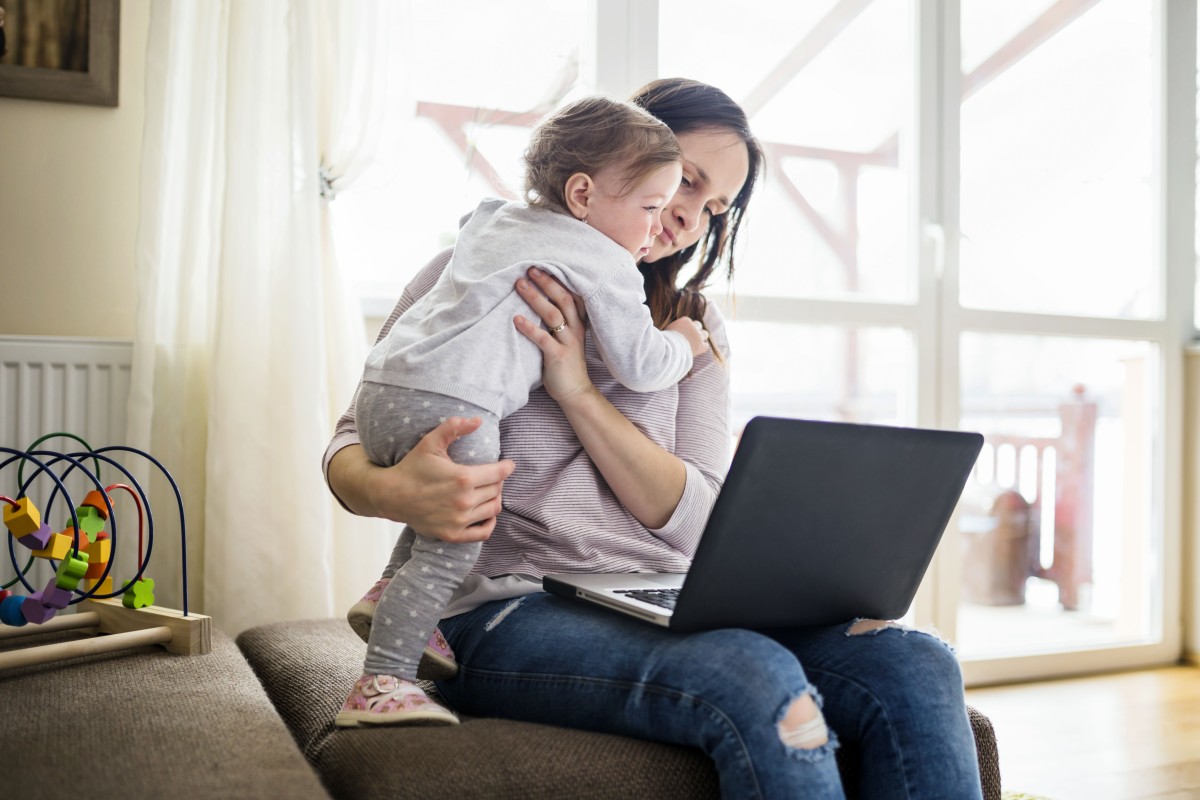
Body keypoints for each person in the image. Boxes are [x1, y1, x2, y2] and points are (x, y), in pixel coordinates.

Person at [325, 78, 984, 797]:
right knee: (749, 671)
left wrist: (576, 388)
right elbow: (351, 441)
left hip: (663, 591)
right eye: (687, 183)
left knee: (918, 662)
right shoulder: (488, 264)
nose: (688, 219)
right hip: (507, 604)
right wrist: (398, 491)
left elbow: (699, 516)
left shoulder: (689, 332)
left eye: (713, 208)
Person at [335, 95, 710, 727]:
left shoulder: (492, 221)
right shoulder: (605, 262)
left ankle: (389, 591)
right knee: (456, 542)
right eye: (656, 203)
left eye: (713, 208)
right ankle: (382, 682)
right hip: (458, 406)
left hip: (385, 392)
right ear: (584, 195)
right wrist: (685, 344)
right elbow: (642, 364)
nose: (669, 223)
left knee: (446, 509)